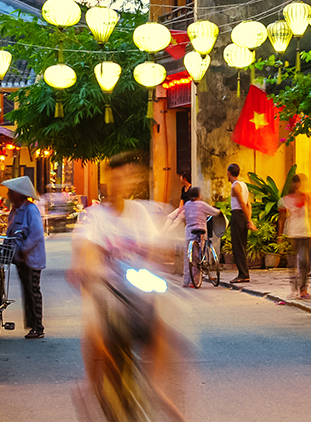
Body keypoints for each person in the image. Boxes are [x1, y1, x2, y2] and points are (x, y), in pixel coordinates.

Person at [71, 152, 184, 420]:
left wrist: (160, 255)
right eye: (116, 177)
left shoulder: (140, 213)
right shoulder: (93, 217)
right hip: (104, 287)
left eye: (127, 177)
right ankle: (91, 386)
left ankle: (156, 385)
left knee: (163, 329)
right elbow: (85, 249)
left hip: (135, 287)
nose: (122, 183)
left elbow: (156, 247)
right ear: (107, 180)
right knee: (96, 332)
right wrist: (88, 264)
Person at [2, 176, 47, 339]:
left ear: (18, 194)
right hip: (19, 256)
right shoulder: (15, 210)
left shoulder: (30, 209)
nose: (8, 195)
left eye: (11, 192)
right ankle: (32, 325)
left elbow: (36, 234)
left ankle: (38, 326)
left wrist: (25, 250)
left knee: (33, 290)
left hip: (31, 258)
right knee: (26, 291)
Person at [279, 174, 311, 300]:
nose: (296, 185)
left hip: (305, 231)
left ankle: (303, 288)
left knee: (305, 262)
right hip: (293, 232)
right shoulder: (286, 199)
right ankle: (294, 287)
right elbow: (282, 218)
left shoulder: (307, 197)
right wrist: (280, 234)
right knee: (293, 262)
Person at [171, 187, 218, 287]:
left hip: (189, 232)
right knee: (197, 258)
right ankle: (195, 282)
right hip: (200, 232)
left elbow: (181, 213)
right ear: (199, 195)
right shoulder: (202, 205)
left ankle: (186, 282)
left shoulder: (187, 205)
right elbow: (215, 212)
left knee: (188, 257)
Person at [227, 164, 255, 284]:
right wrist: (249, 219)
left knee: (237, 246)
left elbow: (243, 204)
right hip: (243, 215)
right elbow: (249, 204)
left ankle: (243, 274)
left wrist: (248, 220)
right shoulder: (244, 185)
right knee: (241, 245)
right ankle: (244, 273)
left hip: (238, 215)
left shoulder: (235, 187)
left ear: (229, 173)